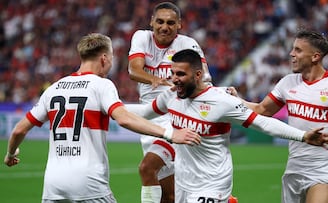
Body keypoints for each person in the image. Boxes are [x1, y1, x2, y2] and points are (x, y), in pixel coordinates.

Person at [3, 33, 202, 203]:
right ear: (105, 58)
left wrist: (11, 154)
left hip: (53, 186)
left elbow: (19, 130)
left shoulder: (54, 88)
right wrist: (169, 133)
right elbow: (123, 118)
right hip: (89, 184)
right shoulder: (102, 85)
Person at [126, 49, 328, 203]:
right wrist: (111, 108)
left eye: (181, 74)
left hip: (212, 185)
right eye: (173, 73)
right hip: (183, 183)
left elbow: (262, 123)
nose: (175, 80)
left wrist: (303, 136)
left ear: (198, 75)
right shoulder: (171, 96)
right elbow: (144, 113)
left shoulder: (221, 101)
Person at [241, 29, 328, 203]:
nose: (291, 54)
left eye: (298, 50)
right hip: (294, 172)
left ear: (315, 57)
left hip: (325, 173)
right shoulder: (288, 83)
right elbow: (261, 110)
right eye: (292, 49)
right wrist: (232, 100)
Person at [127, 2, 212, 203]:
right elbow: (133, 70)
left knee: (147, 168)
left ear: (179, 25)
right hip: (150, 122)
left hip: (177, 119)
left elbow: (205, 79)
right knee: (169, 195)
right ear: (151, 22)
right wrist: (153, 79)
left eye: (171, 23)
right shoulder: (141, 37)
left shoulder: (188, 44)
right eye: (160, 22)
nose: (165, 27)